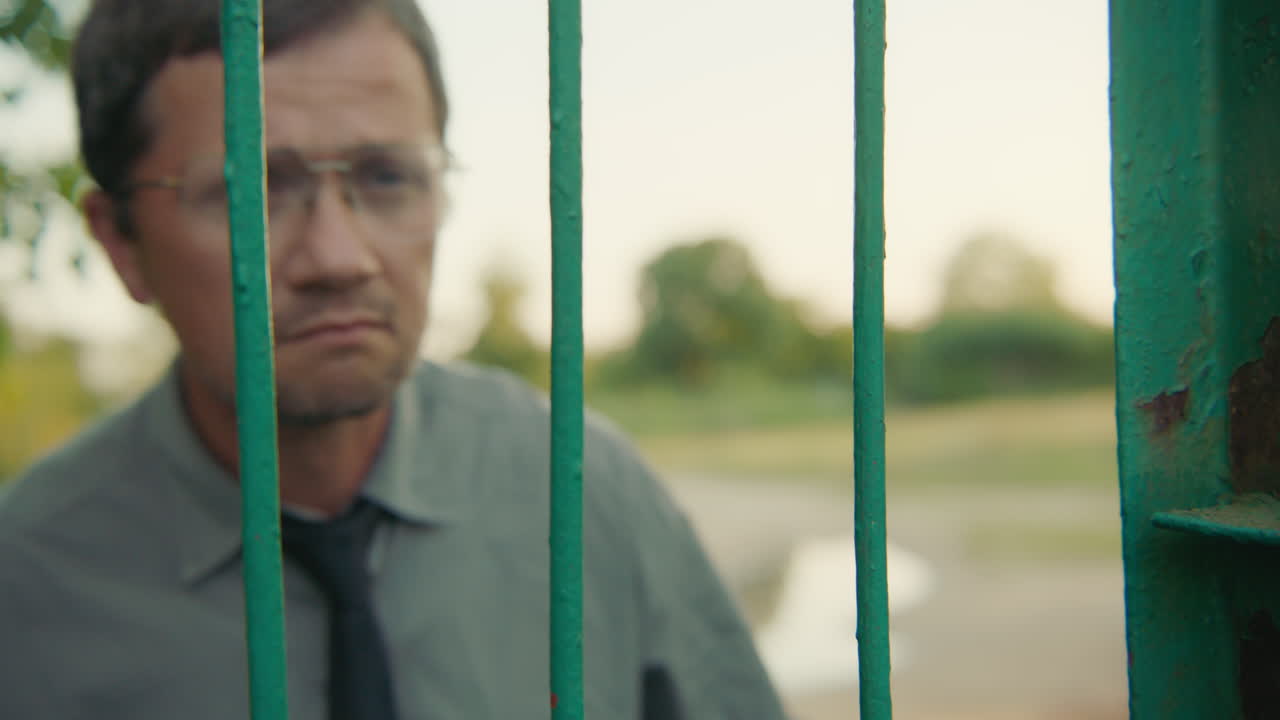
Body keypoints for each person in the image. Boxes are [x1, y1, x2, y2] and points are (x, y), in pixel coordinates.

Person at [0, 1, 789, 718]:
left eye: (387, 177)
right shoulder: (27, 583)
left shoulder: (583, 492)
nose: (340, 257)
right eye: (254, 191)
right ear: (120, 243)